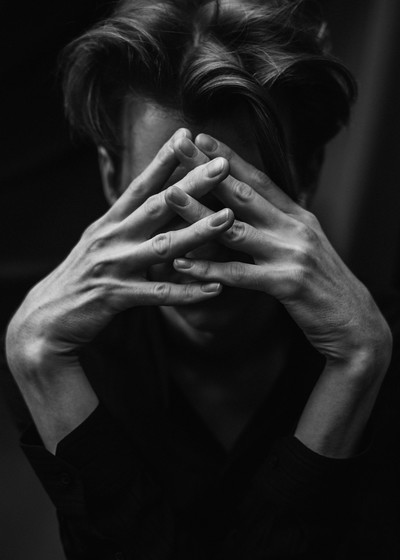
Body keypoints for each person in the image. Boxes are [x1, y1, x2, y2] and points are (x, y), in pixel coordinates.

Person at [3, 0, 399, 558]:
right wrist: (38, 361)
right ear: (113, 178)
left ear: (307, 175)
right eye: (171, 194)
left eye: (239, 194)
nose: (203, 237)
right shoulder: (65, 355)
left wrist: (357, 366)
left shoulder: (381, 354)